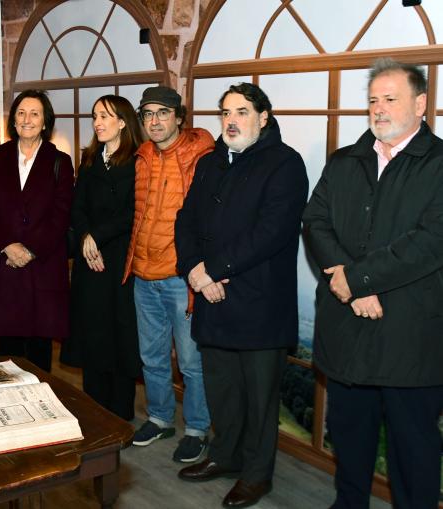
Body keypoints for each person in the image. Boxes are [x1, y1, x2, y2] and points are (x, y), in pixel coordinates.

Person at [302, 58, 443, 509]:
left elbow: (431, 241)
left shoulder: (439, 165)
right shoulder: (346, 160)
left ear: (421, 103)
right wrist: (353, 285)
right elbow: (315, 221)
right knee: (350, 442)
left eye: (391, 99)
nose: (379, 109)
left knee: (413, 454)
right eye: (373, 101)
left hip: (411, 338)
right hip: (347, 333)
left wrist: (359, 278)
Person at [174, 83, 308, 508]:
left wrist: (212, 270)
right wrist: (194, 269)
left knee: (259, 398)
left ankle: (256, 475)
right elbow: (186, 219)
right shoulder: (211, 162)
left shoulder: (286, 164)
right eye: (226, 112)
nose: (231, 120)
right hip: (211, 297)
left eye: (242, 112)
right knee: (222, 391)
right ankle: (225, 456)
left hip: (259, 304)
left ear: (264, 117)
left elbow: (271, 232)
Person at [121, 85, 215, 462]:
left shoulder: (200, 155)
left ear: (179, 117)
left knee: (191, 362)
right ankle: (160, 418)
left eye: (163, 113)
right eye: (148, 114)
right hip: (143, 272)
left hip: (180, 277)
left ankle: (196, 428)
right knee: (153, 357)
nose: (155, 121)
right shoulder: (142, 155)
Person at [0, 90, 73, 372]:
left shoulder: (59, 161)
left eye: (35, 113)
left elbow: (61, 214)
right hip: (4, 266)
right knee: (7, 352)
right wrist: (8, 245)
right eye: (21, 113)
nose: (27, 119)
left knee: (39, 351)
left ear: (45, 121)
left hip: (41, 266)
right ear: (13, 120)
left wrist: (30, 249)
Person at [60, 94, 143, 420]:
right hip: (88, 259)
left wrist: (98, 236)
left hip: (119, 260)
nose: (98, 122)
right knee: (92, 333)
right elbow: (76, 207)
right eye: (95, 116)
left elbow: (133, 212)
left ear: (123, 121)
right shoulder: (90, 159)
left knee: (119, 335)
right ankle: (94, 410)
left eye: (105, 116)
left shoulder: (138, 161)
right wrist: (84, 238)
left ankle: (120, 413)